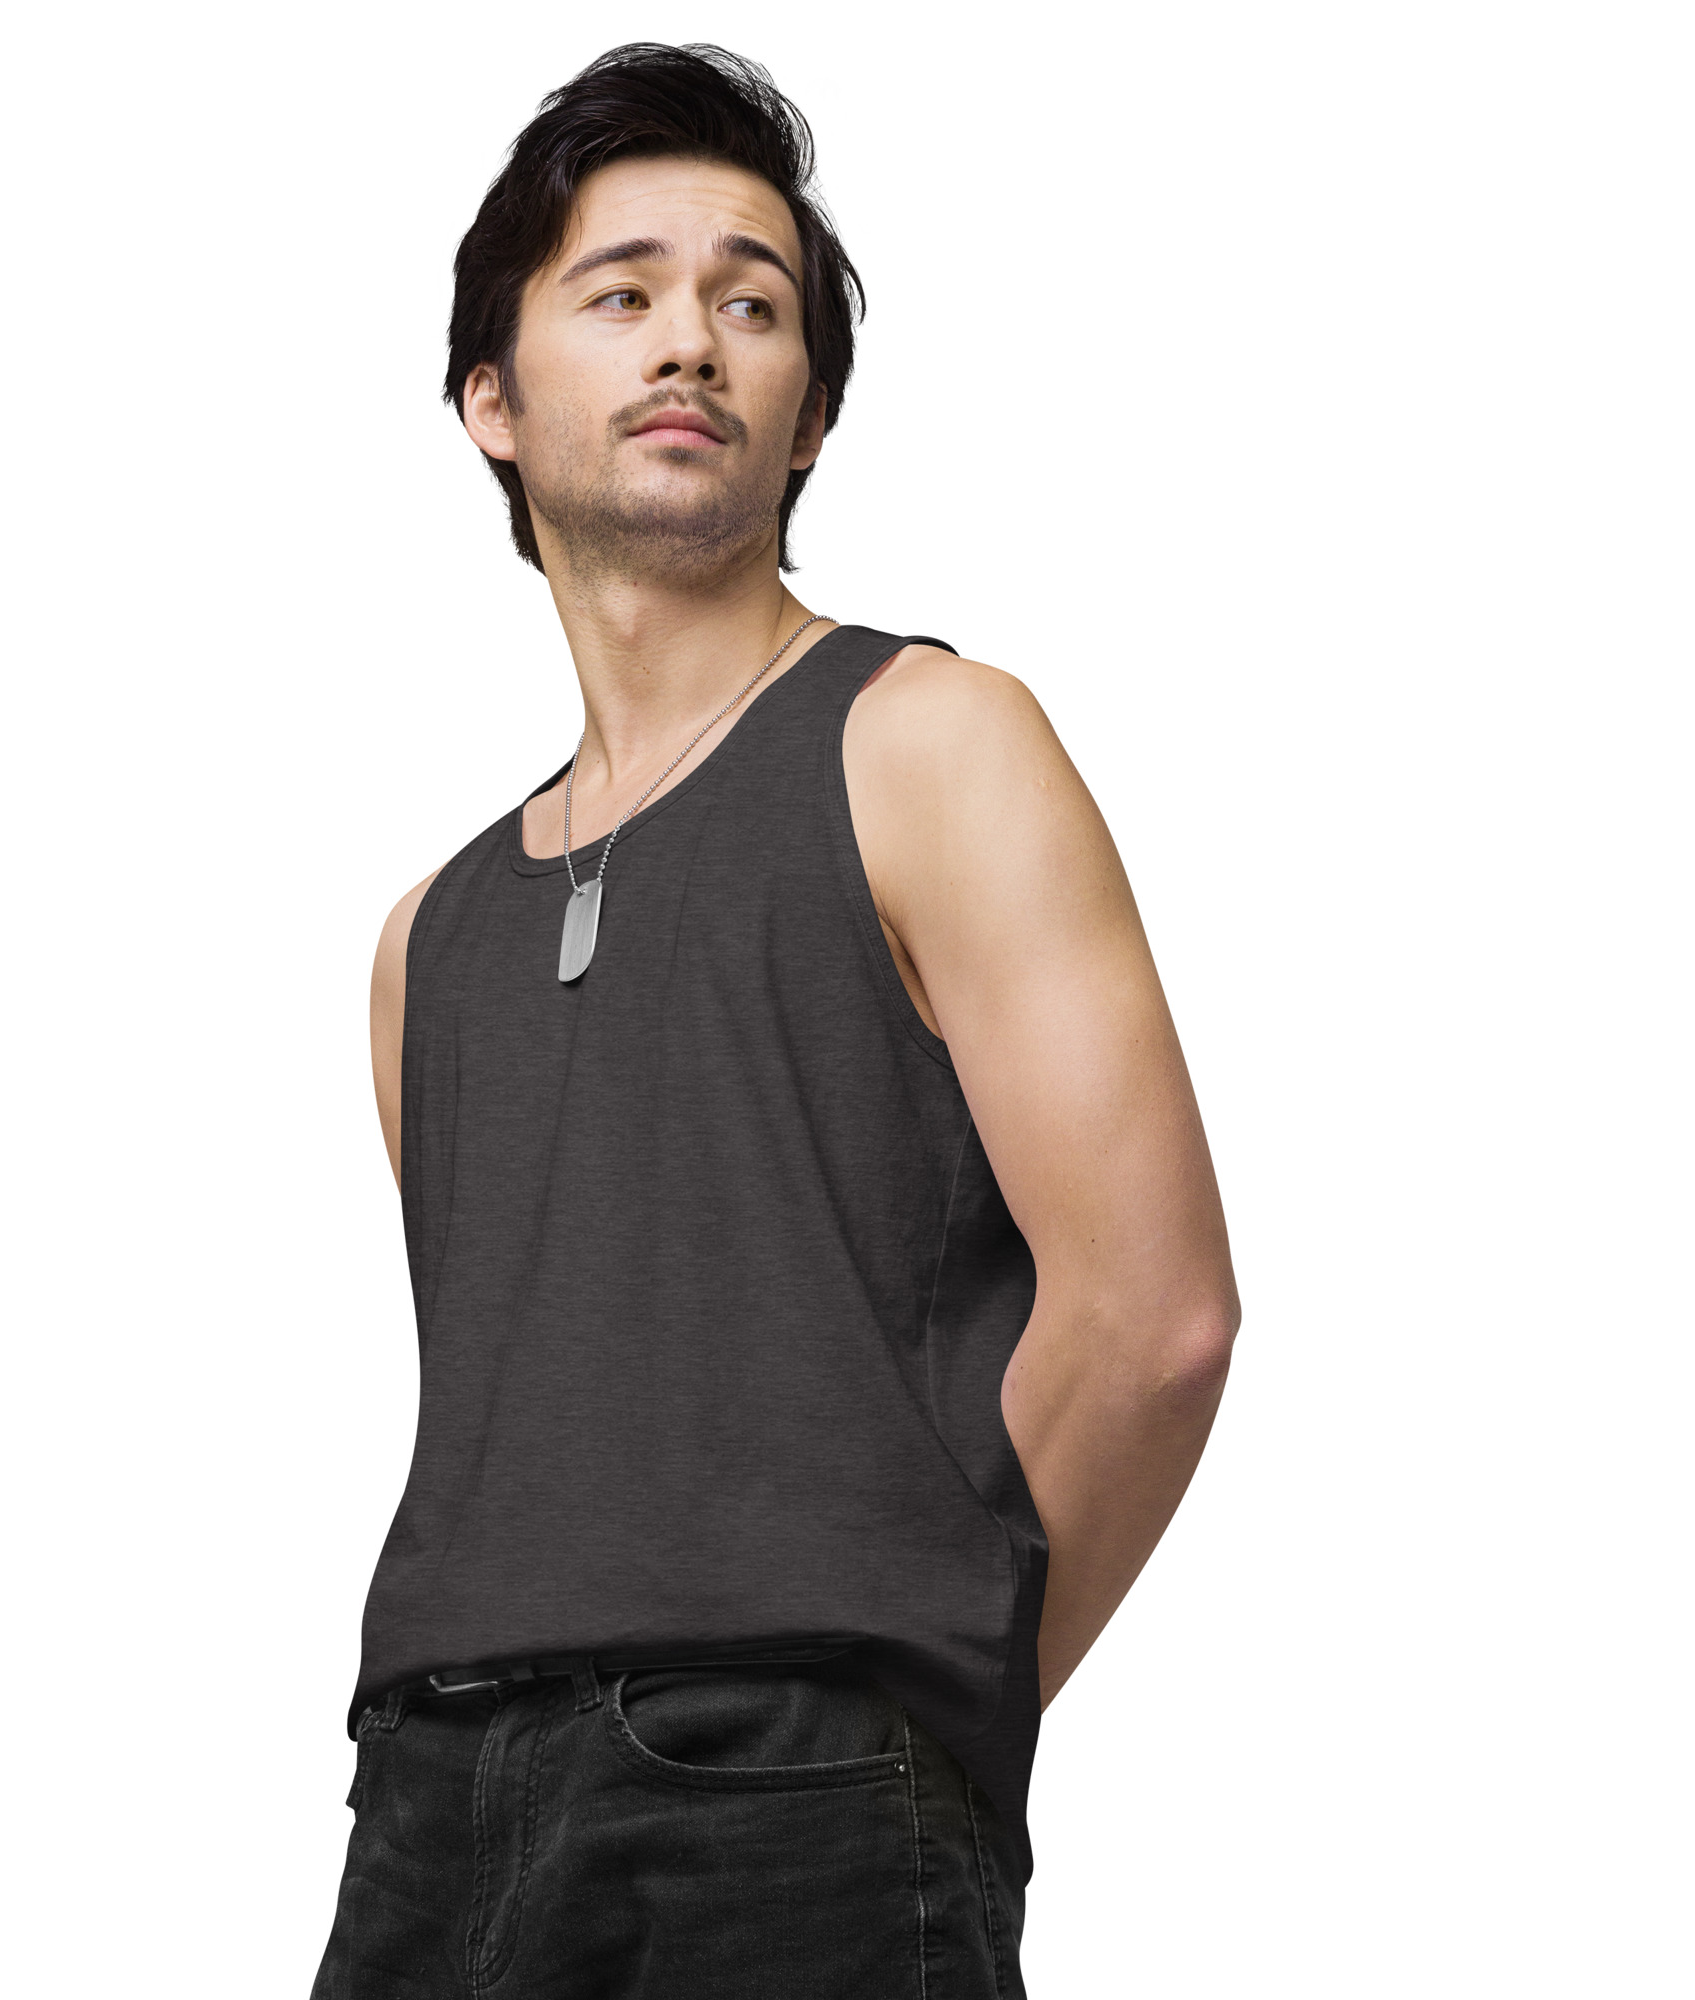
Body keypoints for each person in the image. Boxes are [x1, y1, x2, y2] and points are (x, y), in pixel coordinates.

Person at [310, 43, 1239, 2000]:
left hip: (798, 1785)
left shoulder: (928, 743)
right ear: (491, 398)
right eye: (620, 292)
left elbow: (1154, 1320)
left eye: (752, 305)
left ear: (808, 414)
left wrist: (922, 1696)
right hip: (429, 1809)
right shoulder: (425, 945)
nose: (692, 341)